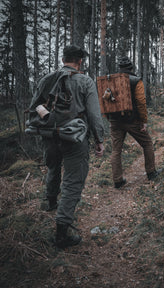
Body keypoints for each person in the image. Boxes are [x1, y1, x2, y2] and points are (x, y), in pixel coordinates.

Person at [36, 45, 105, 248]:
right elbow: (94, 115)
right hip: (75, 139)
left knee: (53, 168)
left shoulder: (46, 80)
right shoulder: (85, 81)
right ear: (80, 61)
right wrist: (99, 140)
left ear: (64, 59)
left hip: (49, 136)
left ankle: (51, 202)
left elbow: (35, 107)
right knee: (73, 183)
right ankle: (61, 234)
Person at [108, 56, 160, 188]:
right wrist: (144, 120)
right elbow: (141, 102)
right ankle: (151, 173)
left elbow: (105, 102)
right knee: (147, 144)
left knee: (116, 150)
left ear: (120, 69)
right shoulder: (136, 81)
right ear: (132, 68)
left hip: (115, 121)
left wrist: (109, 118)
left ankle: (117, 180)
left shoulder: (110, 81)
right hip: (132, 120)